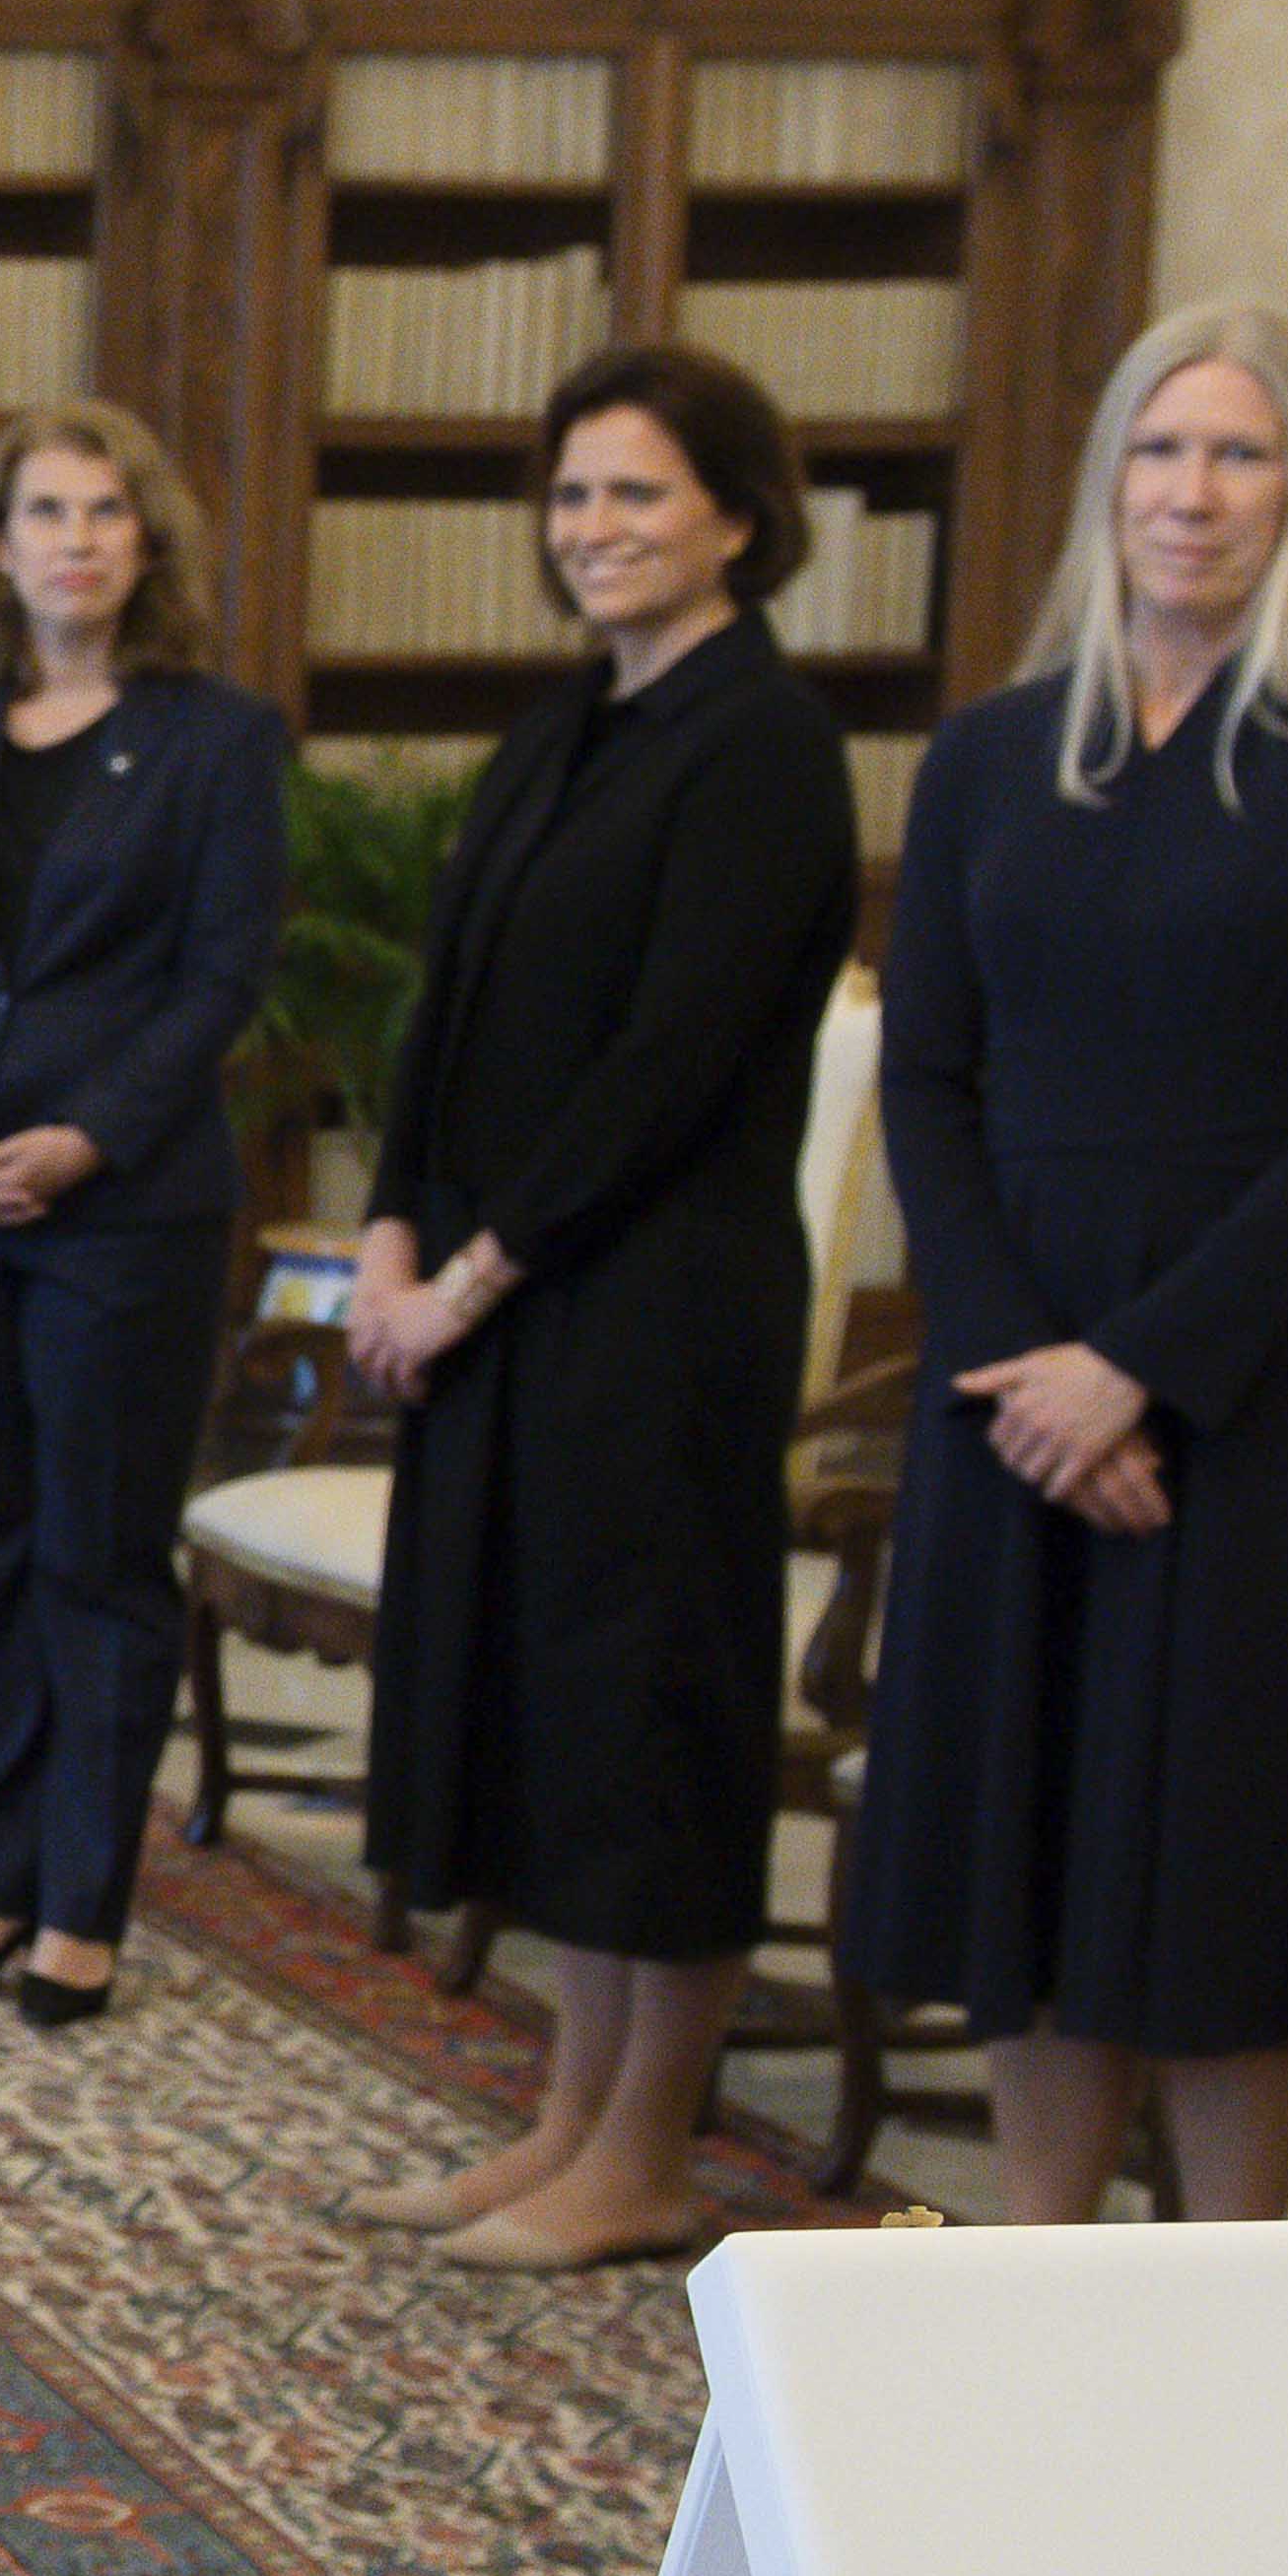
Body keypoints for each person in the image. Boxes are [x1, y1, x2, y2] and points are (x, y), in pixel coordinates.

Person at [836, 304, 1288, 2215]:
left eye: (1240, 453)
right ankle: (1040, 2269)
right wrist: (1020, 1359)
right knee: (1026, 1843)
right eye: (1161, 449)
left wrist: (1139, 1370)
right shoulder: (988, 755)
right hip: (1011, 1366)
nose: (1193, 492)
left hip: (1263, 1381)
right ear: (1108, 481)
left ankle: (1229, 2290)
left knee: (1225, 1858)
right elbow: (926, 1078)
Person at [330, 347, 866, 2272]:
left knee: (649, 1732)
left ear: (737, 514)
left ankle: (647, 2155)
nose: (596, 528)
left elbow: (668, 1064)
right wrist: (388, 1231)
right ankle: (565, 2121)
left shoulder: (765, 741)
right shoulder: (567, 723)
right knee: (550, 1721)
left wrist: (472, 1275)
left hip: (657, 1313)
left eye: (637, 492)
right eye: (573, 495)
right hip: (502, 1306)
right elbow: (444, 1008)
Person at [0, 401, 290, 2027]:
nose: (76, 539)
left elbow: (221, 978)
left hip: (124, 1212)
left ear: (146, 545)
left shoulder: (218, 739)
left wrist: (84, 1140)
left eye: (106, 512)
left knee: (98, 1555)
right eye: (46, 512)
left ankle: (83, 1906)